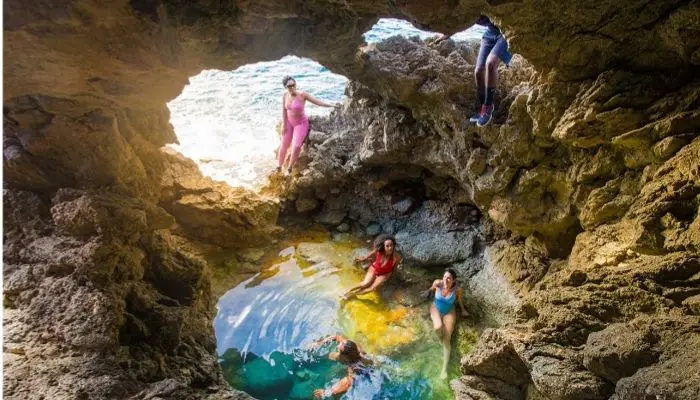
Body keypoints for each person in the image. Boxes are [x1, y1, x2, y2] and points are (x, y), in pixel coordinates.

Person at [278, 76, 340, 176]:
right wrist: (284, 124)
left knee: (296, 145)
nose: (292, 87)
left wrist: (331, 105)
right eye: (289, 86)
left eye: (293, 85)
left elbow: (317, 102)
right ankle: (278, 167)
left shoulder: (303, 95)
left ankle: (289, 168)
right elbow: (284, 110)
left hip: (300, 123)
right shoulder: (285, 95)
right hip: (289, 122)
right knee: (284, 145)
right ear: (285, 87)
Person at [469, 15, 512, 127]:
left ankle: (488, 108)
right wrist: (447, 32)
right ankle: (483, 108)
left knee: (491, 63)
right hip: (490, 33)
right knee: (478, 71)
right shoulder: (469, 8)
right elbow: (460, 23)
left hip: (507, 32)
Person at [427, 268, 468, 379]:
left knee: (447, 338)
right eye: (444, 276)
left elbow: (459, 300)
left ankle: (444, 369)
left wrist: (463, 310)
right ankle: (440, 340)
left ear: (453, 280)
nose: (446, 279)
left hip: (449, 311)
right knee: (438, 328)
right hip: (436, 308)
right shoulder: (437, 283)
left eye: (449, 278)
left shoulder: (457, 289)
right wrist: (427, 293)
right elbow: (431, 290)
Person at [311, 334, 373, 399]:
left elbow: (346, 383)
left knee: (337, 395)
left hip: (363, 378)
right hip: (354, 362)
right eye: (341, 343)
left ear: (345, 357)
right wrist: (319, 343)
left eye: (339, 349)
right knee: (333, 356)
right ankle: (321, 357)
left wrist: (326, 392)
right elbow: (337, 336)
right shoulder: (351, 346)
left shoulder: (353, 370)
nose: (338, 346)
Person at [342, 235, 402, 301]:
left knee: (372, 288)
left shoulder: (397, 257)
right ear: (383, 247)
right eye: (387, 246)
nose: (390, 248)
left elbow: (394, 268)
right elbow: (372, 253)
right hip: (375, 268)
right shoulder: (379, 251)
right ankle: (346, 291)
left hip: (384, 273)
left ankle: (353, 294)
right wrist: (364, 259)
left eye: (391, 245)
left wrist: (391, 276)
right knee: (365, 283)